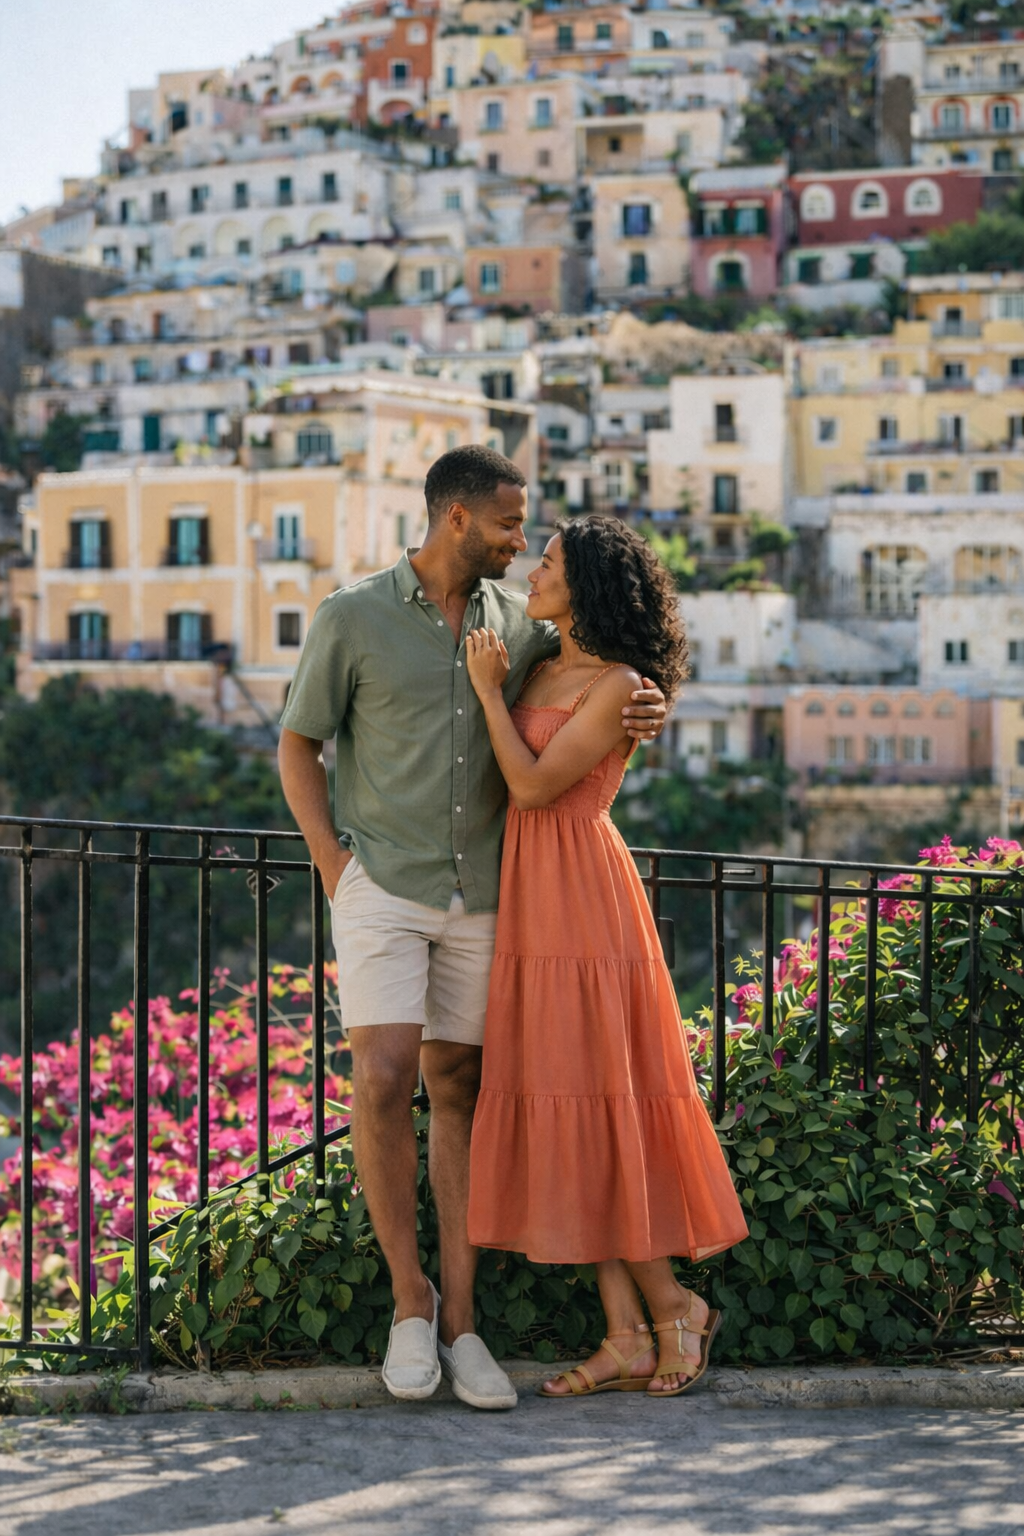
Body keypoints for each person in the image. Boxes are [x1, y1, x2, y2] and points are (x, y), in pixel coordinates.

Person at [277, 447, 667, 1411]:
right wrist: (333, 865)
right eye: (507, 523)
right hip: (382, 883)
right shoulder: (351, 616)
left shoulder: (519, 623)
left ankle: (462, 1322)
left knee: (460, 1087)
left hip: (489, 895)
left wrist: (648, 702)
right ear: (456, 518)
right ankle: (410, 1305)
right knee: (382, 1076)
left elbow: (588, 677)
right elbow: (298, 742)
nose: (520, 541)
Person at [464, 515, 748, 1399]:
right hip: (532, 896)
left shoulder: (620, 683)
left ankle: (676, 1308)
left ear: (583, 584)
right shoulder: (539, 661)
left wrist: (487, 696)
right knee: (574, 1102)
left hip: (583, 899)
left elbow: (532, 786)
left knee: (601, 1097)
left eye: (547, 563)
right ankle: (626, 1334)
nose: (531, 573)